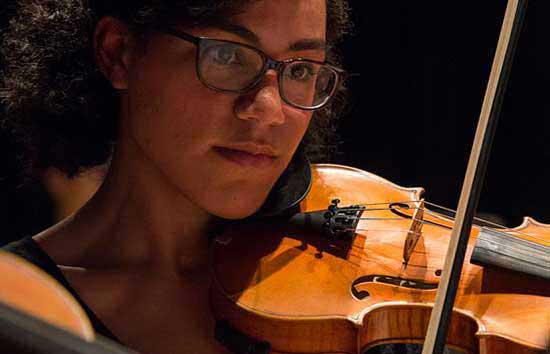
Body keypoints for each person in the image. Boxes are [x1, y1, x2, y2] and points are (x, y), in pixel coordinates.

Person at [0, 0, 351, 353]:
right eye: (227, 56)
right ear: (119, 53)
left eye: (302, 71)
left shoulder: (350, 305)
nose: (270, 110)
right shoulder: (19, 308)